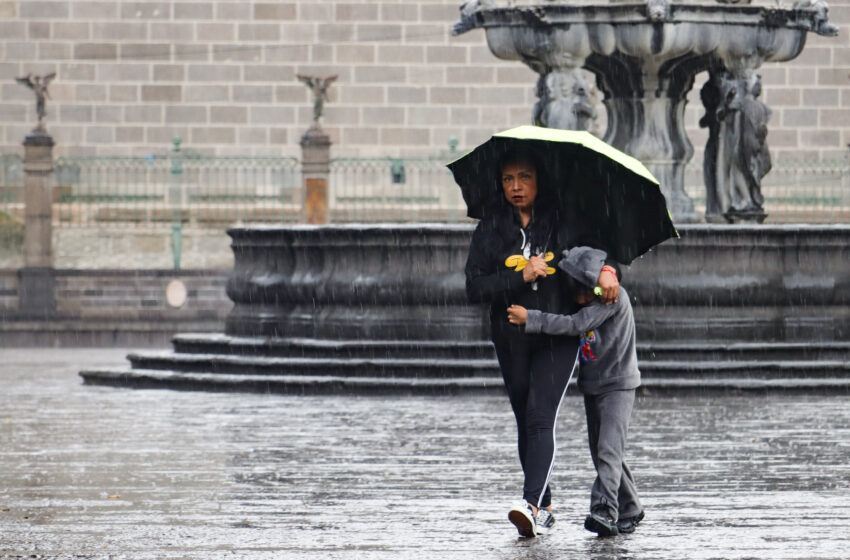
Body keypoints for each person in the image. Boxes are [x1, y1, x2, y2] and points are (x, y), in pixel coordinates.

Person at [464, 151, 620, 538]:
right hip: (510, 335)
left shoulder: (565, 219)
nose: (515, 187)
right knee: (524, 417)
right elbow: (474, 286)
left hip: (557, 332)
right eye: (507, 180)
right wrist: (518, 277)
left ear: (540, 180)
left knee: (539, 416)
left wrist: (608, 269)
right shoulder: (490, 228)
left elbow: (600, 250)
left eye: (524, 177)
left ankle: (530, 503)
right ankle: (545, 504)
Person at [507, 246, 644, 537]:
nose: (577, 299)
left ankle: (605, 510)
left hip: (618, 384)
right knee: (603, 451)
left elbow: (575, 324)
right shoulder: (590, 295)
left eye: (582, 291)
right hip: (594, 384)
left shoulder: (609, 297)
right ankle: (630, 506)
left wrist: (531, 317)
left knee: (608, 449)